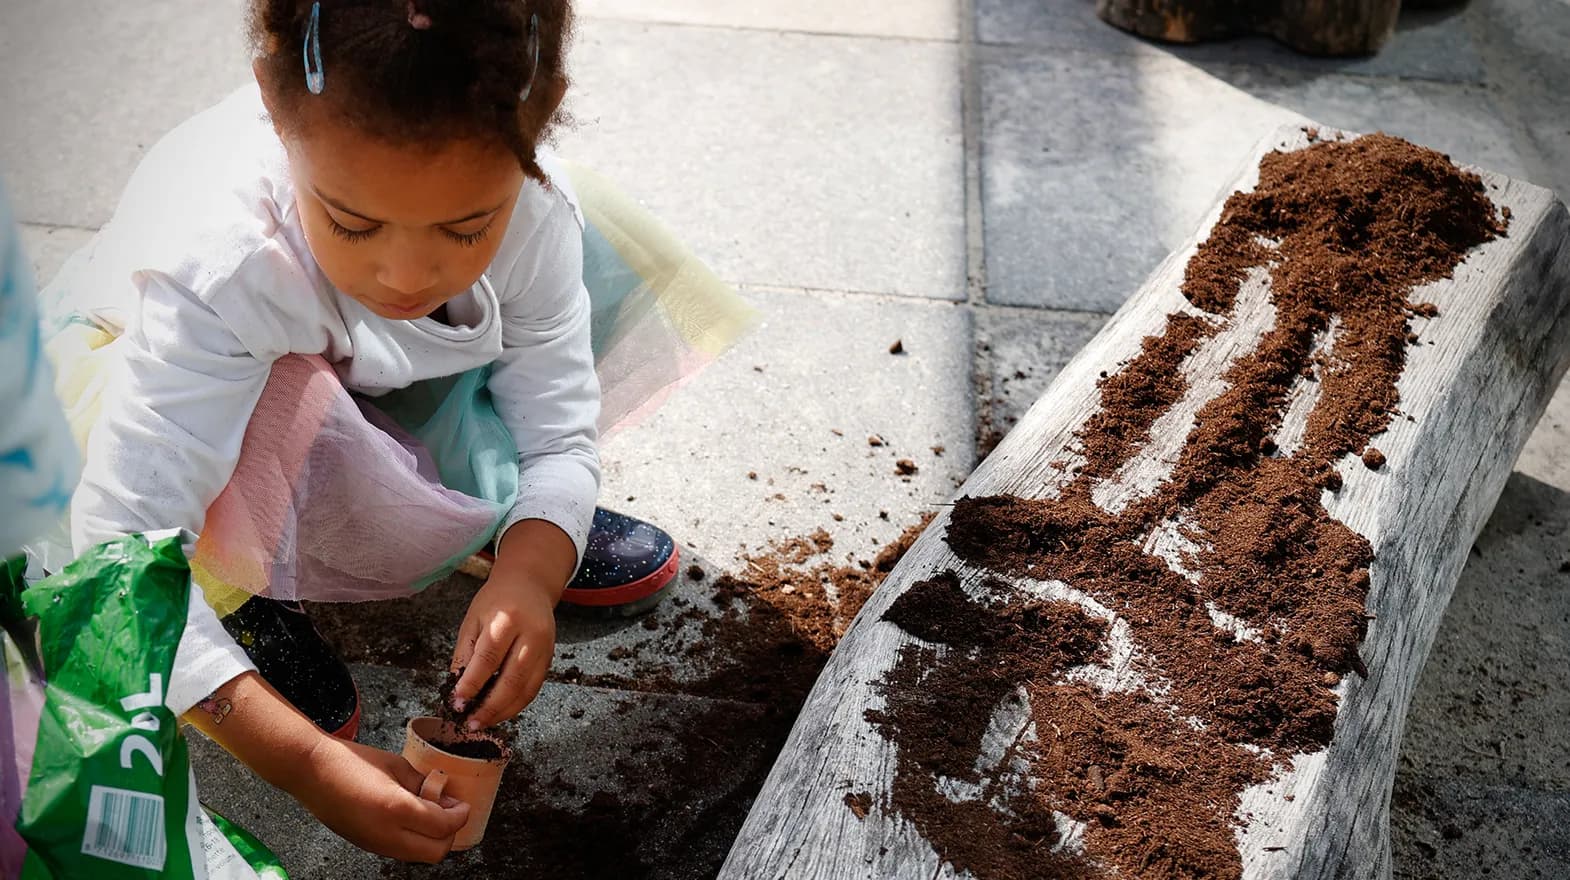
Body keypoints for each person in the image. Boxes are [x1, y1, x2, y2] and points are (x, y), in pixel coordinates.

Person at [33, 0, 749, 863]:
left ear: (544, 102)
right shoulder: (226, 266)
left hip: (368, 368)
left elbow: (558, 428)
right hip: (184, 392)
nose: (407, 273)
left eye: (464, 226)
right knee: (286, 407)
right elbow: (115, 556)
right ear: (270, 97)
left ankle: (495, 520)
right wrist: (306, 765)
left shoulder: (530, 206)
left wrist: (530, 569)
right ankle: (244, 590)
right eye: (353, 221)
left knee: (580, 240)